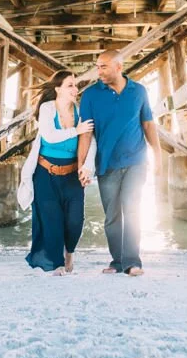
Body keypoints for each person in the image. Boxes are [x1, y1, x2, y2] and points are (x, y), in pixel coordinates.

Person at [77, 50, 161, 277]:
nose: (99, 71)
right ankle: (117, 261)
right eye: (97, 66)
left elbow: (148, 125)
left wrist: (158, 155)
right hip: (106, 164)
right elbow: (85, 133)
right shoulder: (91, 95)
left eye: (103, 66)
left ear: (118, 67)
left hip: (136, 161)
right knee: (112, 216)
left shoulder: (139, 91)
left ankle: (133, 262)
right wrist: (81, 165)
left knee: (132, 208)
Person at [20, 71, 96, 276]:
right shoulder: (47, 108)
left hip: (72, 174)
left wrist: (88, 167)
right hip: (45, 173)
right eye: (70, 85)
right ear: (58, 89)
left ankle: (69, 252)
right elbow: (50, 136)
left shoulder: (81, 111)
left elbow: (91, 141)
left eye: (76, 85)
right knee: (51, 220)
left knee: (75, 220)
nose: (75, 89)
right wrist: (76, 131)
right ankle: (57, 263)